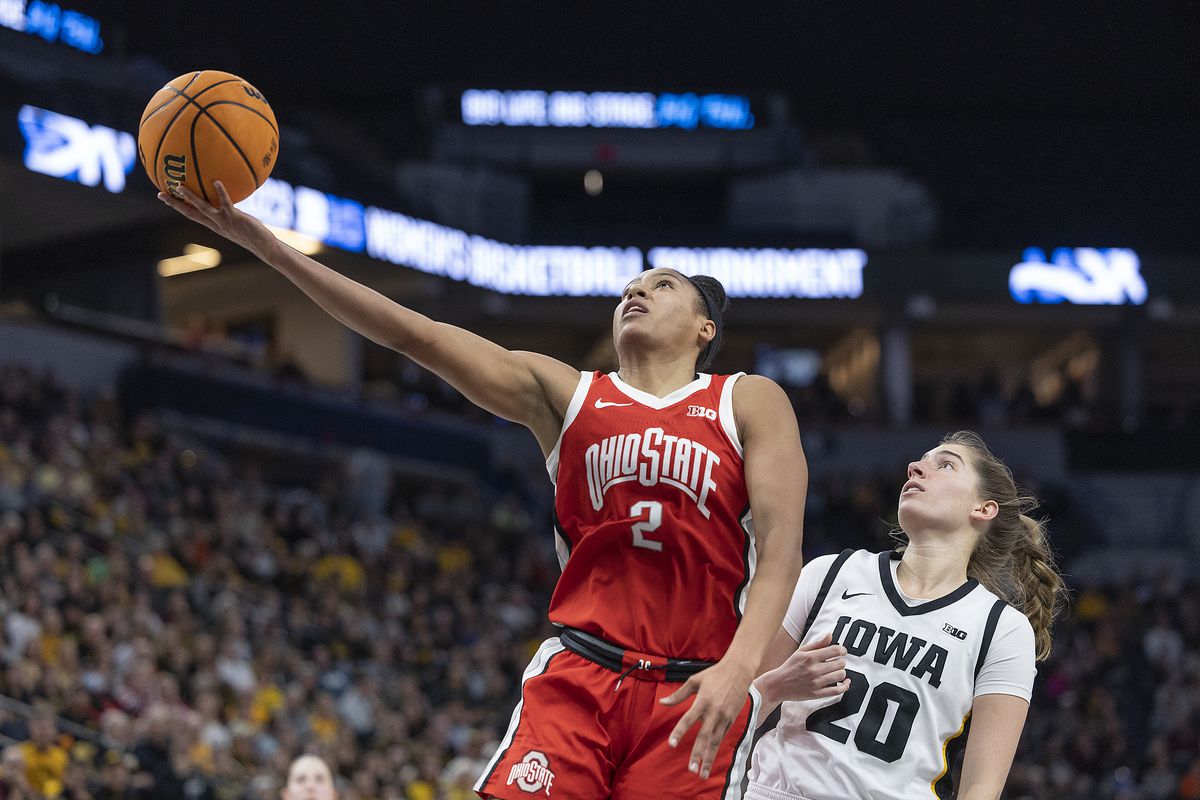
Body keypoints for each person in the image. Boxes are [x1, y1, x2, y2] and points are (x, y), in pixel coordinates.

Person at [160, 183, 808, 799]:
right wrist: (271, 247)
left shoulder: (746, 399)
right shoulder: (569, 393)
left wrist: (738, 668)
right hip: (583, 675)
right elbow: (412, 334)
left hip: (693, 689)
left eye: (661, 286)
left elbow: (781, 549)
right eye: (630, 288)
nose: (637, 291)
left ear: (705, 330)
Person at [745, 431, 1066, 799]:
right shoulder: (831, 573)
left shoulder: (1001, 629)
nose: (915, 467)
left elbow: (980, 788)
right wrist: (777, 686)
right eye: (919, 462)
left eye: (945, 464)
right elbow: (731, 713)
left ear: (983, 508)